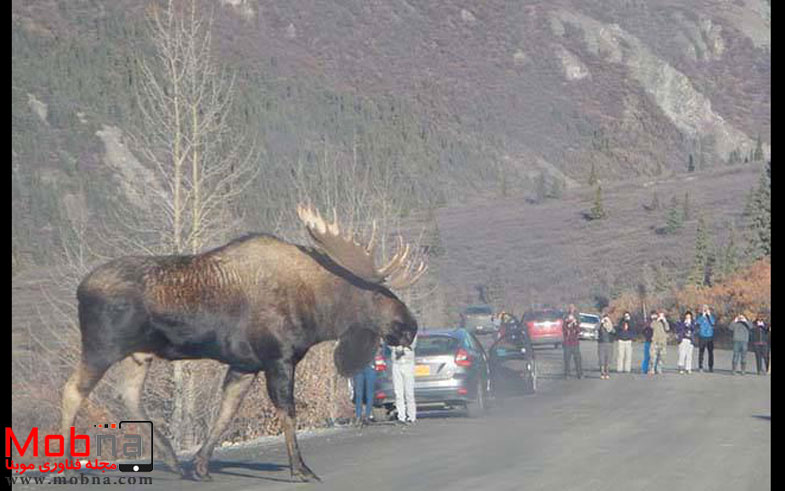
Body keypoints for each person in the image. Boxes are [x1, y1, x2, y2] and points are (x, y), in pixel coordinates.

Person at [391, 335, 417, 424]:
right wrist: (396, 347)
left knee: (409, 392)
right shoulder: (393, 330)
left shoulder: (411, 329)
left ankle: (411, 416)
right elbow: (389, 342)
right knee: (398, 392)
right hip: (396, 363)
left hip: (408, 363)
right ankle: (401, 417)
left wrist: (403, 347)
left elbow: (413, 344)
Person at [352, 348, 378, 426]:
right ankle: (358, 416)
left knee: (369, 393)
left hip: (369, 366)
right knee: (359, 393)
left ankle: (367, 416)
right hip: (358, 367)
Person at [563, 305, 583, 379]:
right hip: (567, 342)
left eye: (573, 308)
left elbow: (578, 330)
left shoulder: (577, 317)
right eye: (570, 308)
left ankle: (580, 374)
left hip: (575, 342)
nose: (571, 309)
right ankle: (567, 374)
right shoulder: (565, 317)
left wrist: (575, 323)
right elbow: (564, 330)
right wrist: (567, 323)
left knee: (578, 359)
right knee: (567, 359)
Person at [696, 304, 716, 373]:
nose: (705, 309)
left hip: (710, 336)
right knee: (701, 352)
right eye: (704, 308)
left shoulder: (711, 316)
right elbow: (697, 322)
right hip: (702, 336)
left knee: (710, 352)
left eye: (706, 308)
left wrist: (709, 315)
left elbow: (713, 323)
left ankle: (711, 367)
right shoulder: (700, 316)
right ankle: (700, 366)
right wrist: (703, 316)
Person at [649, 310, 670, 375]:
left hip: (662, 342)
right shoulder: (654, 322)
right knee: (653, 356)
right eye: (660, 315)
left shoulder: (665, 322)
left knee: (662, 357)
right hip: (655, 342)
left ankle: (659, 368)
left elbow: (667, 329)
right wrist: (657, 320)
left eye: (662, 315)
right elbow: (651, 326)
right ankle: (652, 369)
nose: (661, 317)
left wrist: (664, 321)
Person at [598, 312, 615, 379]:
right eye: (604, 318)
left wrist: (609, 325)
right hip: (601, 343)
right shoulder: (600, 325)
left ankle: (607, 373)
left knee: (608, 359)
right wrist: (601, 323)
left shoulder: (610, 325)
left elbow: (613, 331)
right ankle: (602, 373)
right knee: (601, 359)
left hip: (609, 343)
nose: (605, 320)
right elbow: (595, 328)